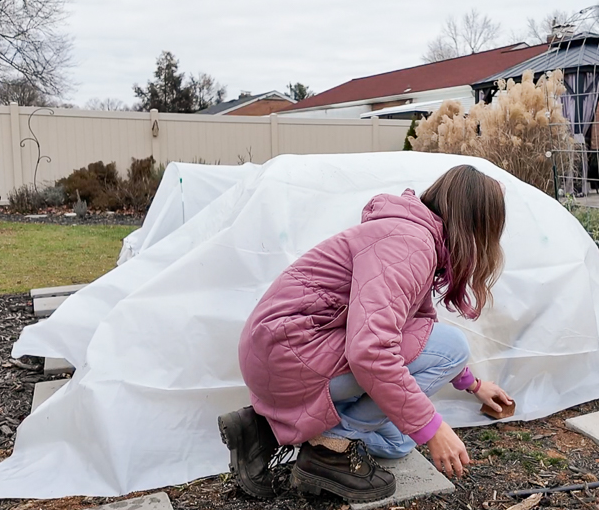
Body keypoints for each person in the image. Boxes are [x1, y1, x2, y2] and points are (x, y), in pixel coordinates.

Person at [218, 165, 513, 503]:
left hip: (284, 355)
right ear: (474, 225)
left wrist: (472, 385)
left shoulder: (414, 235)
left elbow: (418, 326)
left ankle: (263, 432)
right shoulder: (410, 244)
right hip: (290, 355)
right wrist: (434, 428)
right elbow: (371, 351)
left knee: (398, 442)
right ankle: (329, 453)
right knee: (452, 350)